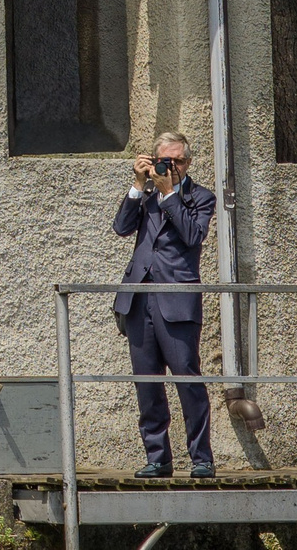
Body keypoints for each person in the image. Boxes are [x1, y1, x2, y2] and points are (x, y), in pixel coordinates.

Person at [113, 131, 217, 478]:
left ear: (187, 163)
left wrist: (168, 193)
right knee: (147, 384)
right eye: (163, 160)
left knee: (188, 380)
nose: (168, 167)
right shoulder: (144, 196)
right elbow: (121, 228)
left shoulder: (201, 197)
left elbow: (192, 236)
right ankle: (158, 458)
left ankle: (201, 458)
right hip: (139, 299)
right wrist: (137, 185)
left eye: (176, 161)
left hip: (176, 300)